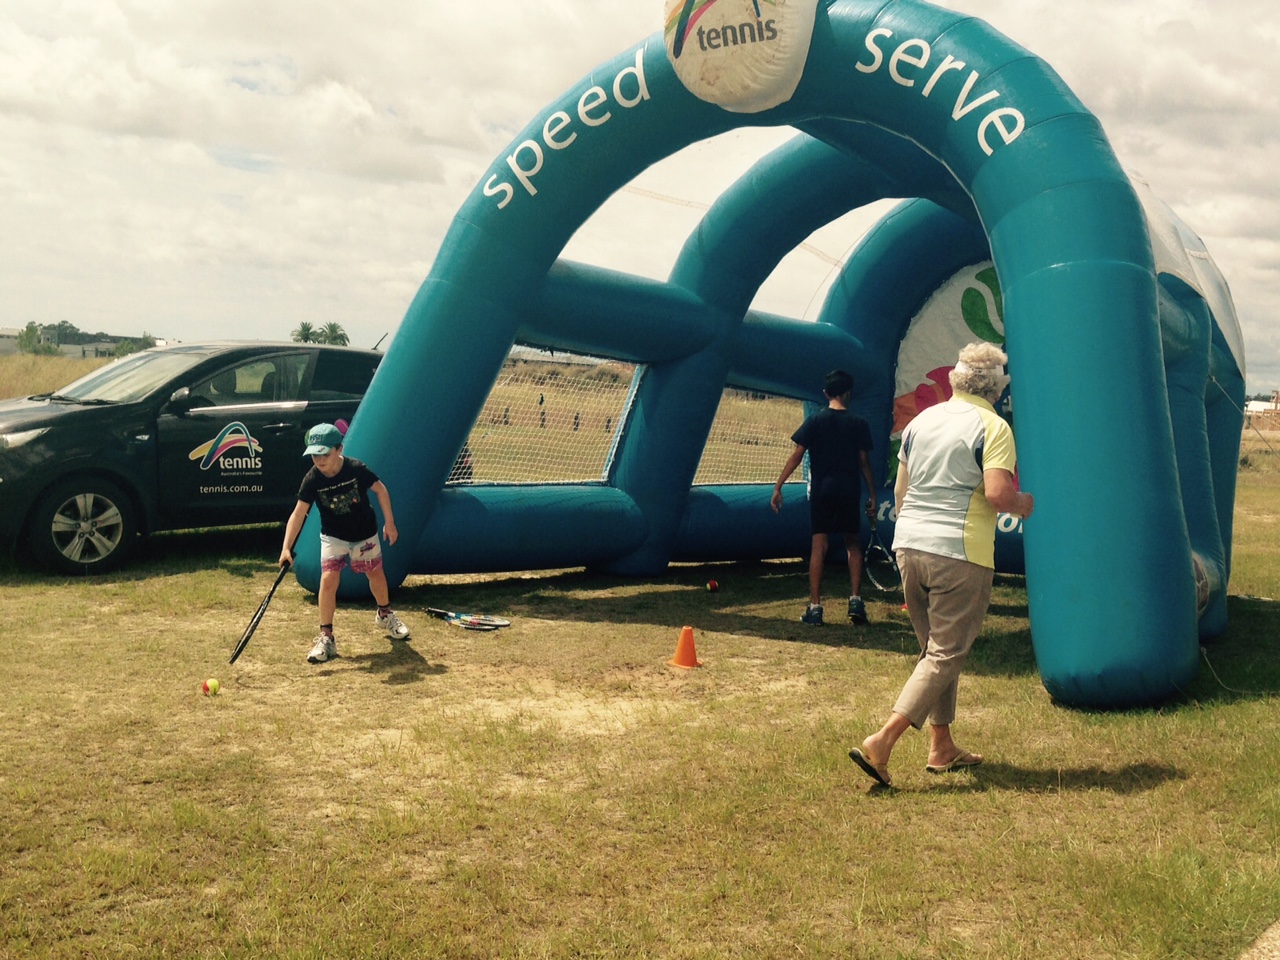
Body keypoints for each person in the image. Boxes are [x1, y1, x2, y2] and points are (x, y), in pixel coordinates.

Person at [848, 342, 1034, 787]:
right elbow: (996, 494)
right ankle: (882, 742)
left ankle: (942, 745)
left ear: (954, 377)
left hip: (909, 545)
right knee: (945, 653)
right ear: (997, 387)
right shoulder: (994, 426)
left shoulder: (920, 422)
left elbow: (901, 492)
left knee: (934, 653)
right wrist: (1023, 504)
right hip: (959, 550)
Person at [279, 422, 411, 664]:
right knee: (328, 580)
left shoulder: (355, 469)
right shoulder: (313, 479)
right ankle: (326, 636)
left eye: (324, 454)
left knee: (375, 575)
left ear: (339, 449)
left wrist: (389, 523)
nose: (319, 461)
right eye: (314, 455)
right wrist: (286, 547)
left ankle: (385, 614)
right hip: (333, 536)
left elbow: (381, 490)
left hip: (364, 534)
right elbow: (298, 513)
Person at [771, 369, 877, 626]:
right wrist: (872, 494)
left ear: (825, 393)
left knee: (819, 546)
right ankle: (855, 601)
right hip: (849, 490)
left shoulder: (816, 421)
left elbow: (798, 454)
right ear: (849, 393)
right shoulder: (858, 422)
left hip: (822, 490)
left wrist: (779, 485)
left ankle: (816, 607)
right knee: (853, 544)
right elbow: (863, 461)